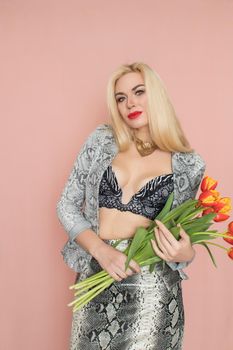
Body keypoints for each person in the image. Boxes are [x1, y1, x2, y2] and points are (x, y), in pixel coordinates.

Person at [56, 62, 206, 350]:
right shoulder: (100, 141)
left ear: (157, 96)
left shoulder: (188, 164)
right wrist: (100, 250)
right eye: (120, 98)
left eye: (139, 92)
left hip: (151, 292)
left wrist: (186, 253)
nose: (129, 103)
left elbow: (179, 239)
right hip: (95, 280)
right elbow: (66, 204)